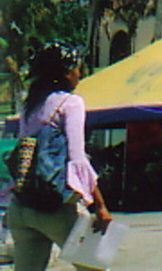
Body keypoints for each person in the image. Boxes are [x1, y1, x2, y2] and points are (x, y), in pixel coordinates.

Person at [3, 44, 113, 271]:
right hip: (55, 210)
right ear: (66, 72)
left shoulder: (29, 106)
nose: (80, 74)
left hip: (22, 207)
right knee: (95, 267)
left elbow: (26, 155)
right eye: (78, 69)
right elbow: (77, 160)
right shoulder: (70, 103)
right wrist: (100, 206)